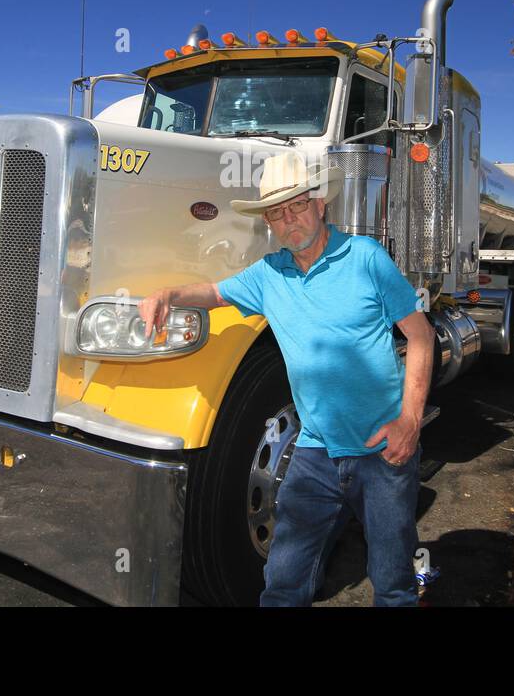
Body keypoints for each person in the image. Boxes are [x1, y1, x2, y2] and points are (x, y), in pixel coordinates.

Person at [138, 150, 435, 606]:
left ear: (321, 205)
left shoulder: (366, 258)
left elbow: (421, 337)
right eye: (277, 213)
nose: (289, 219)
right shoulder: (269, 275)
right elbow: (215, 293)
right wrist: (168, 294)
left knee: (392, 583)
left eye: (297, 205)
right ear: (269, 225)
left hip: (382, 451)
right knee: (283, 581)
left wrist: (410, 422)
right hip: (315, 451)